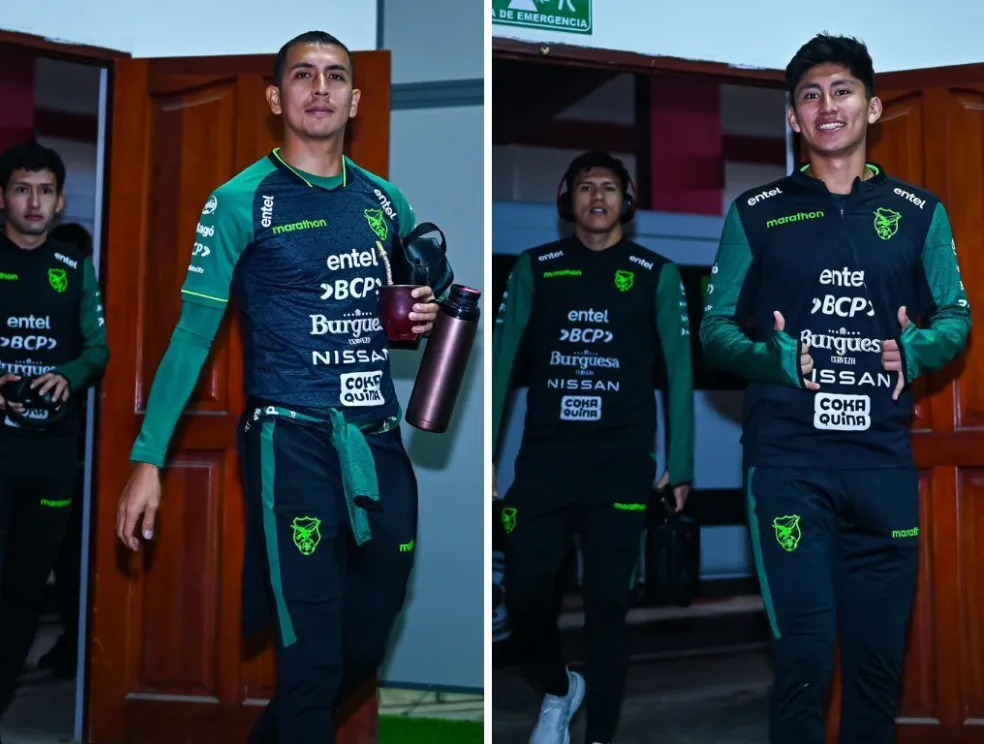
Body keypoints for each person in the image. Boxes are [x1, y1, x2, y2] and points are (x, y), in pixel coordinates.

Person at [114, 31, 445, 744]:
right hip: (289, 445)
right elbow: (192, 336)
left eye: (335, 76)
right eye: (303, 74)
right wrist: (149, 458)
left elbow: (419, 301)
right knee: (312, 662)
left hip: (378, 443)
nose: (320, 87)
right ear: (276, 97)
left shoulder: (387, 203)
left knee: (366, 636)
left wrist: (420, 311)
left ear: (355, 100)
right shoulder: (239, 201)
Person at [701, 34, 971, 744]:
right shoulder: (755, 212)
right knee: (806, 656)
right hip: (789, 462)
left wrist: (915, 349)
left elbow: (956, 319)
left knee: (879, 670)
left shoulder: (918, 212)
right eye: (811, 95)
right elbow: (714, 330)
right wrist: (777, 359)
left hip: (881, 464)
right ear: (793, 118)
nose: (828, 105)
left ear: (874, 107)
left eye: (842, 90)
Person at [492, 150, 695, 744]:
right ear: (567, 199)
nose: (598, 197)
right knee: (526, 600)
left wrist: (678, 464)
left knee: (608, 607)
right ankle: (559, 689)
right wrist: (485, 459)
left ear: (627, 202)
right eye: (586, 188)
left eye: (609, 187)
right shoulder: (536, 266)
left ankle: (599, 734)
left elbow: (678, 372)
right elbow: (503, 364)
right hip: (545, 466)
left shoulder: (656, 273)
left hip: (620, 466)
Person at [0, 141, 109, 742]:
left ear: (60, 201)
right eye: (21, 188)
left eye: (44, 190)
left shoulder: (73, 267)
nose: (33, 201)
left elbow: (98, 348)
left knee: (24, 593)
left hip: (55, 456)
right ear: (0, 197)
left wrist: (68, 374)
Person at [31, 222, 95, 680]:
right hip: (51, 455)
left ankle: (74, 644)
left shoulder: (86, 318)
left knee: (66, 560)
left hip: (73, 458)